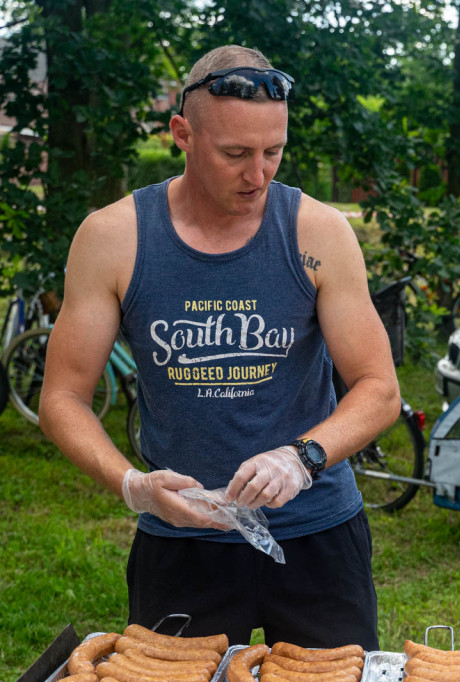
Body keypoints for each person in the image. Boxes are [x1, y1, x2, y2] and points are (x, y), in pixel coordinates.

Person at [38, 45, 401, 646]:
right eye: (235, 153)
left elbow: (379, 389)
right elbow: (63, 398)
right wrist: (133, 486)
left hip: (315, 530)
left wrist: (301, 458)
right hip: (182, 540)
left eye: (273, 152)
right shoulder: (114, 238)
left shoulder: (319, 233)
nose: (258, 175)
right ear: (182, 133)